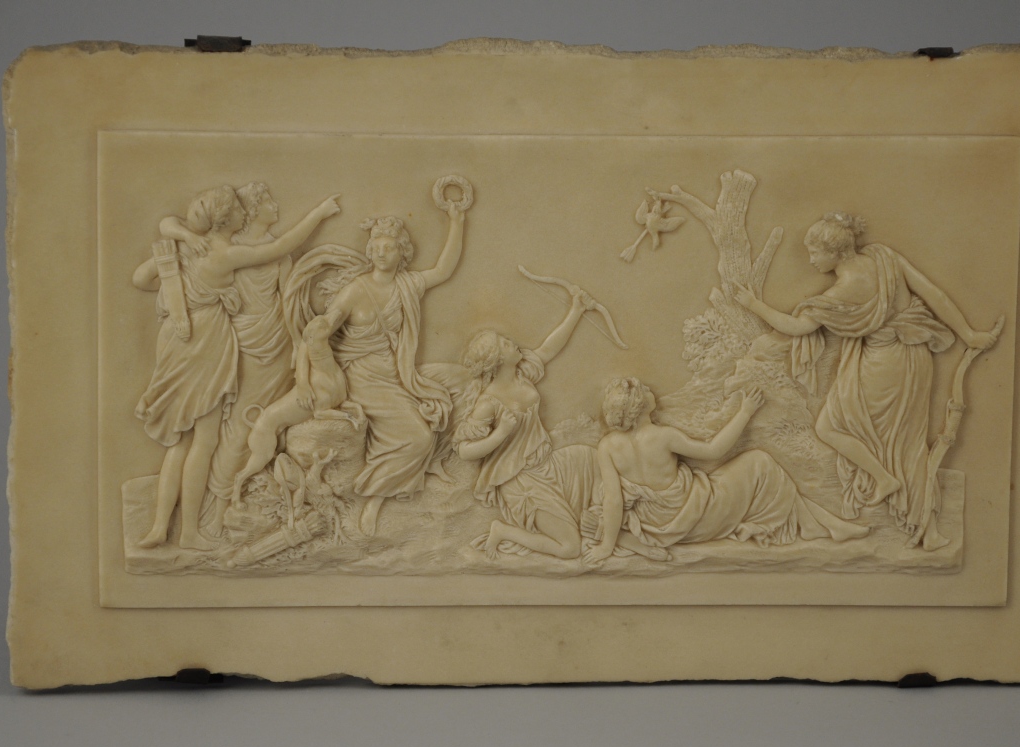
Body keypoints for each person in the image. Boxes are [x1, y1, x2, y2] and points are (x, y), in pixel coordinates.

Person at [733, 212, 997, 550]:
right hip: (912, 358)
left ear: (835, 252)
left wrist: (754, 304)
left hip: (884, 365)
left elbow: (797, 327)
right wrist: (968, 334)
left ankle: (892, 486)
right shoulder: (883, 256)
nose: (811, 260)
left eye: (814, 252)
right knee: (907, 440)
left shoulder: (842, 291)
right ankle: (923, 524)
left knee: (834, 428)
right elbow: (932, 293)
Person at [132, 185, 340, 549]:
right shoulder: (228, 253)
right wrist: (320, 213)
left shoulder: (186, 247)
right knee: (205, 441)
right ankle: (190, 532)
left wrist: (192, 292)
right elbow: (282, 246)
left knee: (180, 442)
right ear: (228, 219)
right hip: (207, 345)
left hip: (176, 345)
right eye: (239, 211)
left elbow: (141, 278)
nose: (244, 213)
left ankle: (160, 527)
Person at [237, 205, 467, 536]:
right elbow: (315, 333)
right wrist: (303, 381)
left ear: (402, 252)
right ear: (370, 250)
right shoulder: (356, 289)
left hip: (394, 374)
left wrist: (456, 219)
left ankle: (386, 489)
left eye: (389, 247)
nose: (381, 252)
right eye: (377, 246)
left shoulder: (407, 285)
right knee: (418, 437)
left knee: (438, 407)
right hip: (359, 376)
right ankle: (372, 500)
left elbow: (443, 270)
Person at [456, 296, 671, 562]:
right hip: (521, 480)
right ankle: (503, 531)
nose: (511, 342)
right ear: (497, 360)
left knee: (599, 466)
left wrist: (576, 310)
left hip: (549, 465)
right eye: (504, 344)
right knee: (570, 548)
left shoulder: (522, 375)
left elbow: (549, 348)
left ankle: (618, 539)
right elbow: (465, 451)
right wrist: (500, 434)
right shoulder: (488, 403)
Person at [584, 377, 868, 567]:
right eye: (645, 390)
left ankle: (828, 525)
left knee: (594, 511)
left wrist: (606, 548)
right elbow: (713, 450)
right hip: (698, 516)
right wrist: (745, 412)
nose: (651, 391)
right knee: (760, 462)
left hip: (657, 527)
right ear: (639, 404)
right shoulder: (663, 436)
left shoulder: (607, 446)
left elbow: (613, 500)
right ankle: (821, 526)